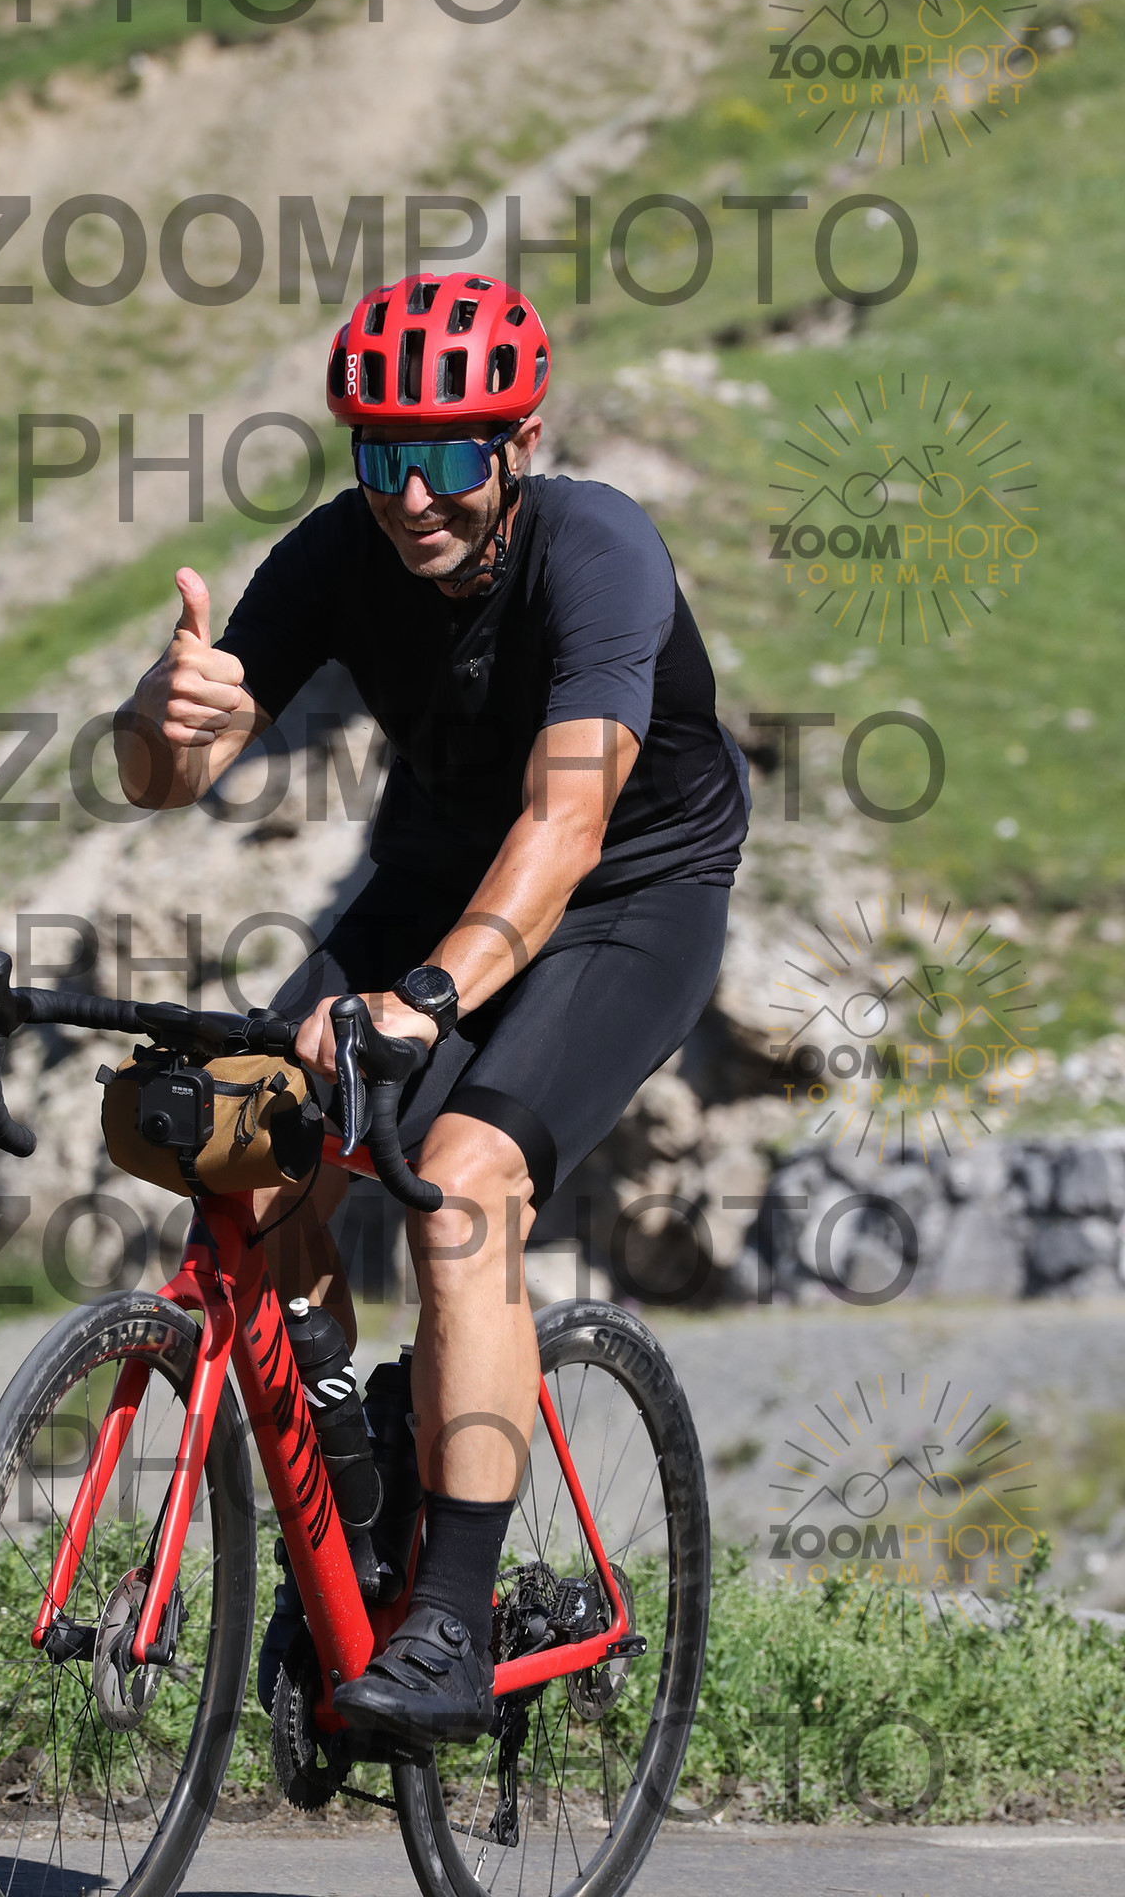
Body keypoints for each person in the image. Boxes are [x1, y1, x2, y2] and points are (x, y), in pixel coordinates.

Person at [114, 269, 748, 1746]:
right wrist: (160, 716)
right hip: (430, 882)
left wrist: (429, 999)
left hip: (626, 896)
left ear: (519, 442)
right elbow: (170, 780)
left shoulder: (600, 551)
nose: (413, 497)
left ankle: (451, 1620)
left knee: (461, 1185)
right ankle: (356, 1513)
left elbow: (568, 821)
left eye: (450, 454)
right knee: (251, 1154)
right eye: (383, 455)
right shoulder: (339, 552)